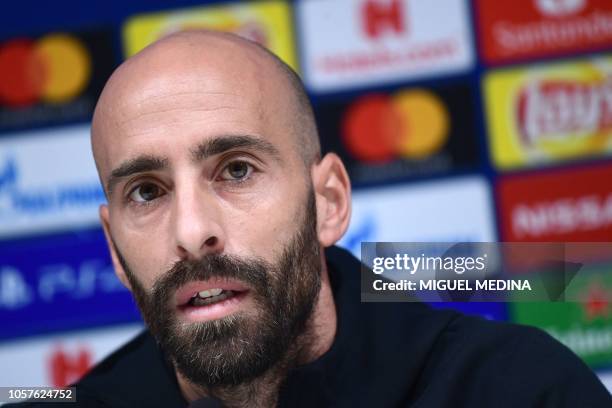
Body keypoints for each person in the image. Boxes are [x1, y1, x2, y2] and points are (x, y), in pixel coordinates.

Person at [7, 30, 611, 408]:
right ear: (114, 248)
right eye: (146, 191)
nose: (191, 232)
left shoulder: (519, 390)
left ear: (329, 203)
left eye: (237, 170)